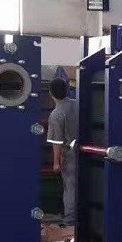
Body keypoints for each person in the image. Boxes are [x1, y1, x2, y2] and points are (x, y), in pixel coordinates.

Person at [46, 78, 78, 226]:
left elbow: (57, 142)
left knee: (70, 188)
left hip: (70, 156)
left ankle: (70, 220)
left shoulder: (56, 114)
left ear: (50, 93)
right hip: (86, 152)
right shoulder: (77, 104)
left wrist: (56, 163)